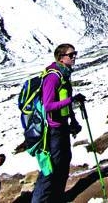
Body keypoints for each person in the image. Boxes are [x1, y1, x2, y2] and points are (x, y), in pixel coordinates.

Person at [31, 44, 85, 202]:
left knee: (64, 162)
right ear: (61, 58)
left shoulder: (64, 74)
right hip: (53, 130)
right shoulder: (53, 77)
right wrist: (72, 100)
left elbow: (64, 101)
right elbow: (48, 105)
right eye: (71, 55)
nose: (74, 57)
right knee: (51, 168)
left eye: (75, 53)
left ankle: (56, 197)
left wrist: (72, 119)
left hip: (62, 126)